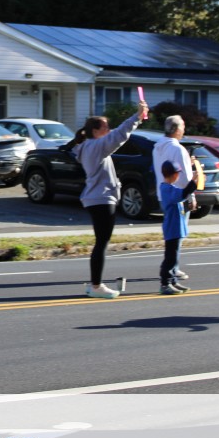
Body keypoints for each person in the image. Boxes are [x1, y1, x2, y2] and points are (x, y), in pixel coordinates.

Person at [67, 100, 150, 299]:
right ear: (96, 131)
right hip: (102, 199)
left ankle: (95, 284)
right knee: (101, 243)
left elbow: (114, 134)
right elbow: (119, 134)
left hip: (96, 198)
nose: (109, 129)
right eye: (105, 127)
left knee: (101, 242)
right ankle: (96, 286)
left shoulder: (87, 146)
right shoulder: (97, 146)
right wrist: (137, 116)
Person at [152, 115, 194, 283]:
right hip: (178, 195)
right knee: (177, 235)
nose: (184, 130)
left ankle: (170, 269)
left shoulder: (157, 147)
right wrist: (191, 195)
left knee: (171, 234)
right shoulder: (178, 149)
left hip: (163, 193)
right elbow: (185, 176)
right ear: (176, 129)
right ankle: (172, 269)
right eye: (182, 127)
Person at [158, 160, 201, 295]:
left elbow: (182, 196)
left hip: (176, 229)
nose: (178, 176)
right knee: (170, 258)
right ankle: (165, 283)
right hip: (172, 229)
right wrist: (194, 181)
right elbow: (183, 193)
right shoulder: (166, 189)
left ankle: (173, 281)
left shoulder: (171, 188)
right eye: (178, 173)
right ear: (174, 174)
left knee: (174, 257)